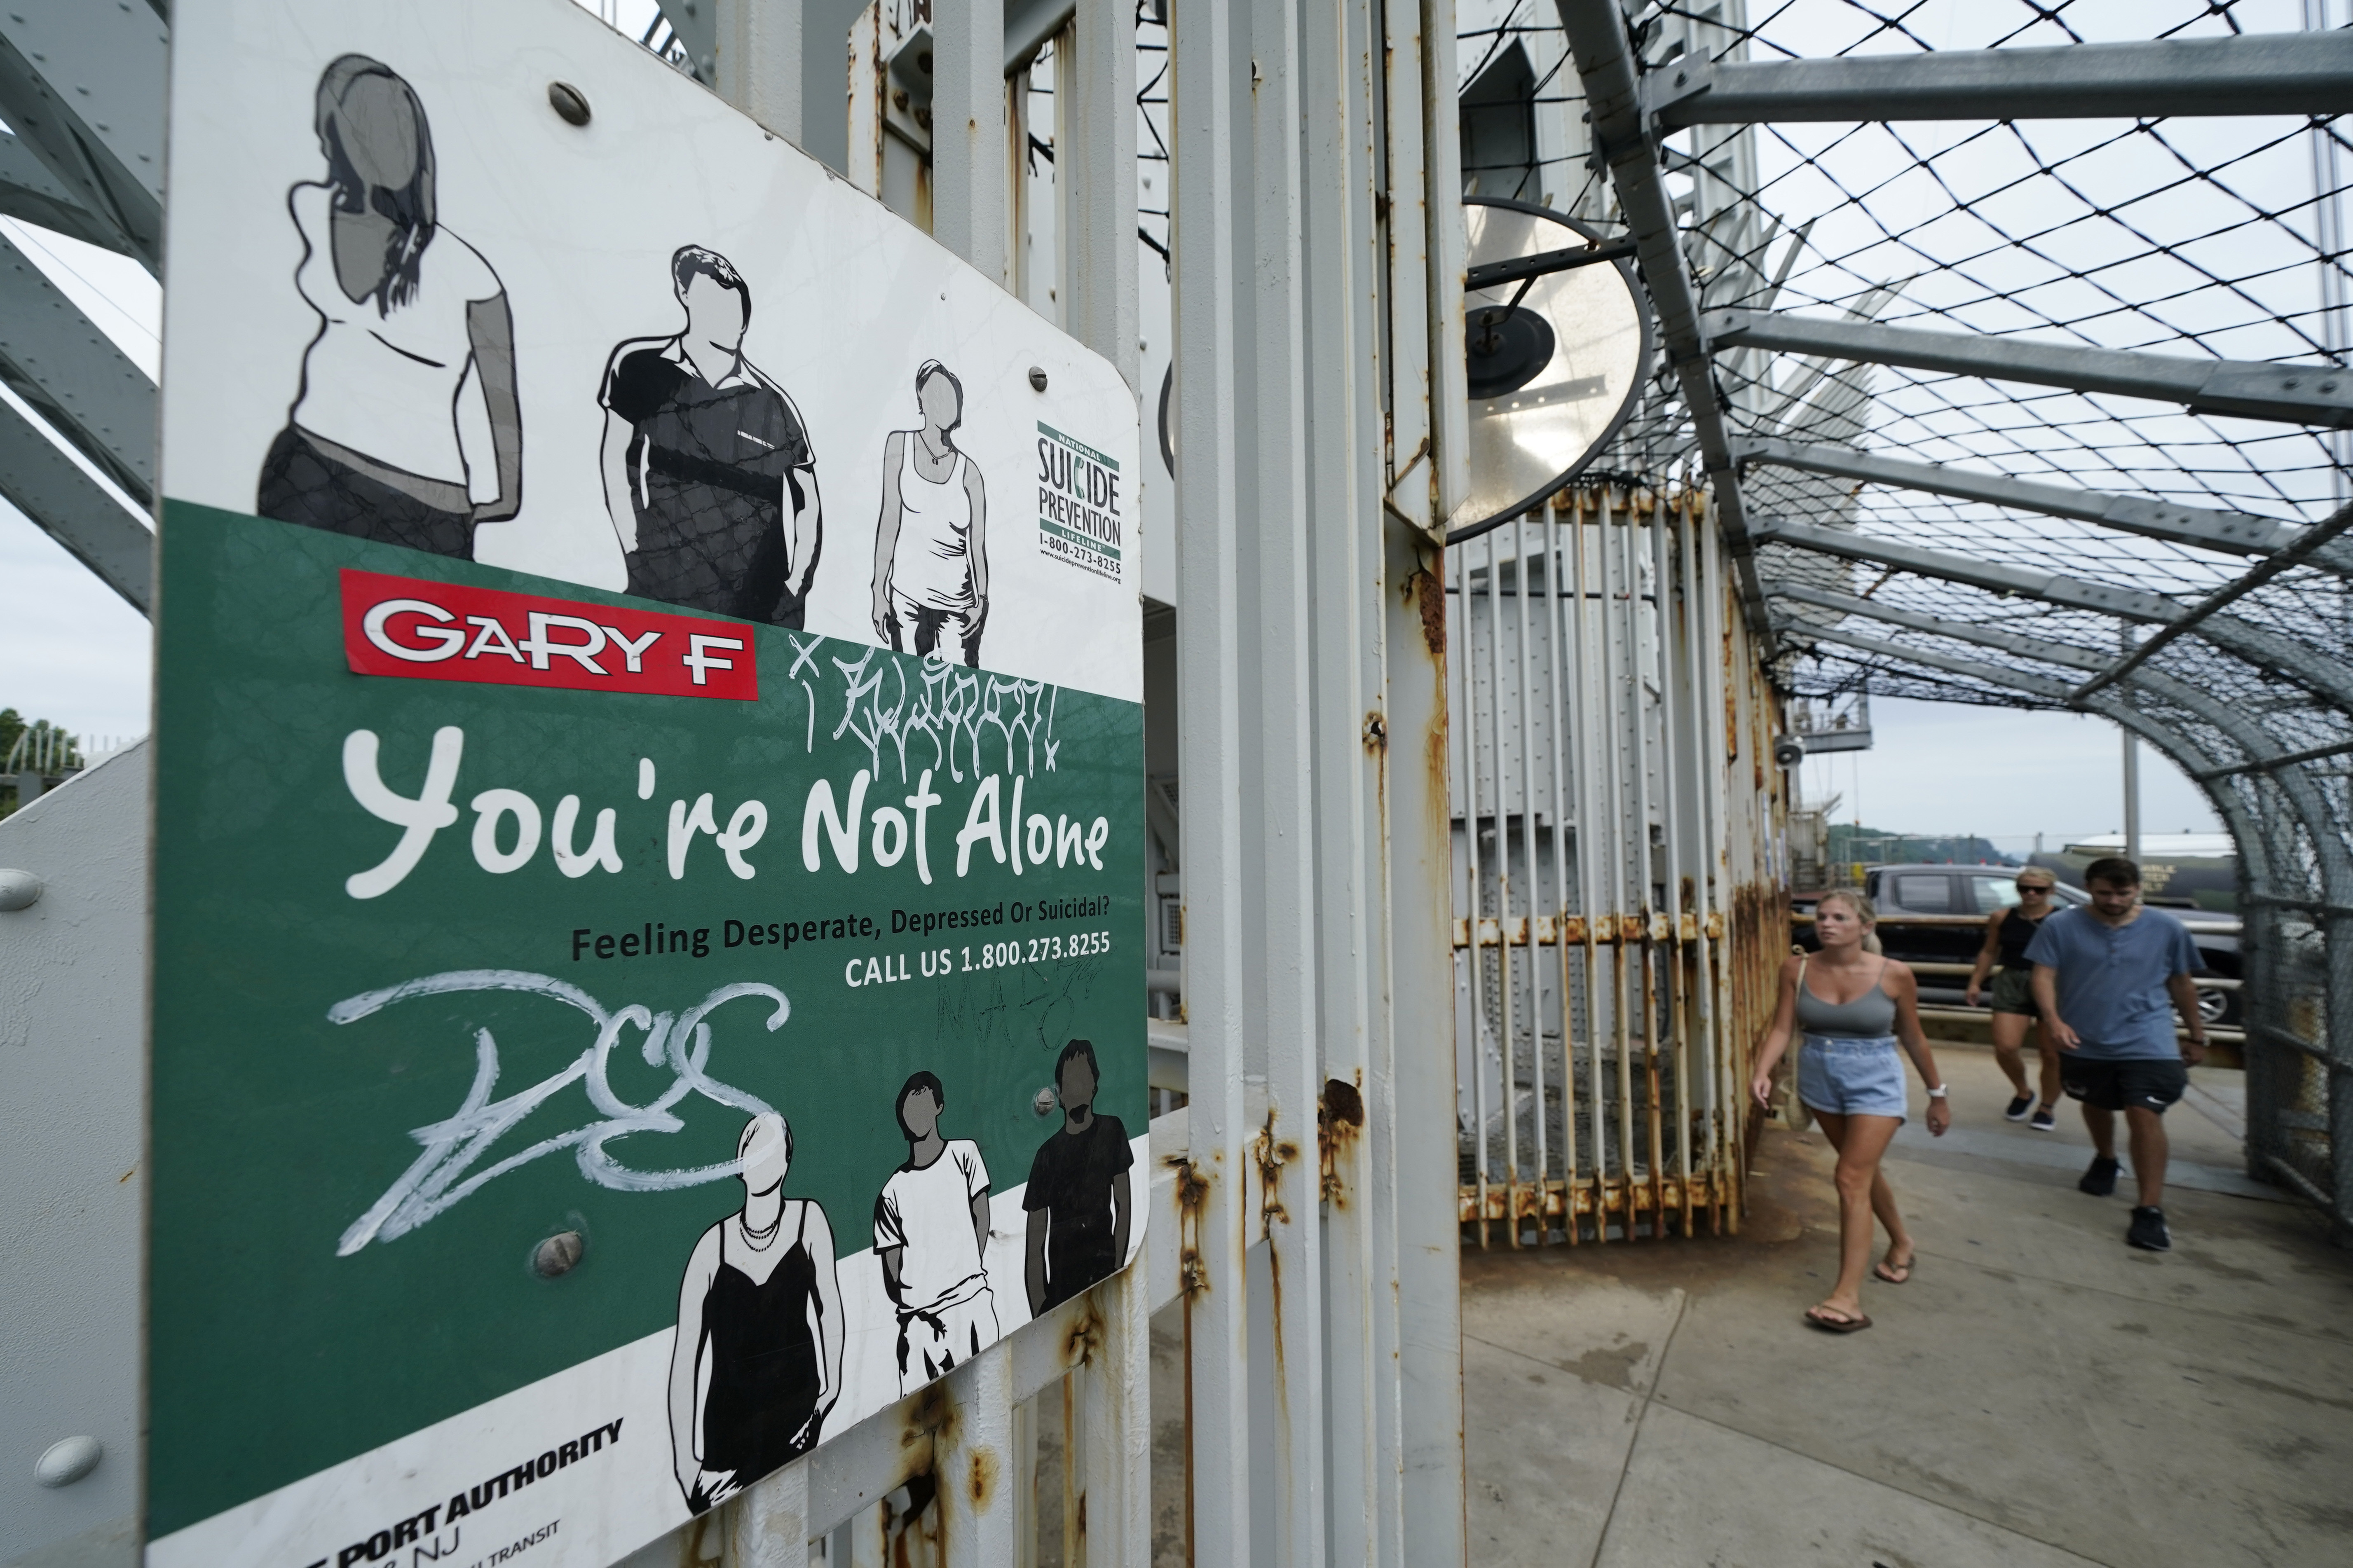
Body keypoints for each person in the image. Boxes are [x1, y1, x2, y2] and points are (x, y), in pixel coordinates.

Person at [259, 55, 522, 557]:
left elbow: (500, 396)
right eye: (375, 123)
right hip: (312, 459)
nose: (393, 141)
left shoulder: (467, 269)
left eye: (403, 126)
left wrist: (507, 489)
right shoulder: (308, 208)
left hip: (421, 495)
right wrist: (503, 493)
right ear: (343, 132)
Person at [1751, 890, 1950, 1333]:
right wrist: (1763, 1070)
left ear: (1865, 927)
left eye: (1840, 917)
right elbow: (1783, 1025)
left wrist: (1937, 1094)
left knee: (1848, 1177)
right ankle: (1901, 1241)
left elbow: (1914, 1037)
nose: (1827, 923)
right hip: (1820, 1077)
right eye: (1821, 916)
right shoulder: (1797, 967)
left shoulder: (1894, 974)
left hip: (1875, 1078)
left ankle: (1846, 1297)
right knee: (1859, 1171)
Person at [600, 246, 823, 623]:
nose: (731, 320)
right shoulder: (641, 368)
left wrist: (796, 585)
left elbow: (808, 503)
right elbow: (616, 460)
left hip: (761, 607)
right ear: (685, 295)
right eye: (716, 305)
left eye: (737, 310)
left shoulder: (775, 405)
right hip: (668, 591)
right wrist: (635, 550)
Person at [2027, 856, 2209, 1252]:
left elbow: (2182, 981)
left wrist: (2197, 1034)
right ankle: (2106, 1158)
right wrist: (2053, 1020)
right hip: (2086, 1036)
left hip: (2149, 1038)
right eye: (2105, 893)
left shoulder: (2167, 928)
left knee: (2144, 1112)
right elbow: (2043, 975)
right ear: (2089, 887)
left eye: (2123, 893)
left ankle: (2149, 1209)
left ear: (2138, 890)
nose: (2113, 901)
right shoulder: (2061, 925)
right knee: (2096, 1102)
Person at [668, 1113, 844, 1513]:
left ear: (787, 1161)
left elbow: (829, 1306)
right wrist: (685, 1463)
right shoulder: (711, 1247)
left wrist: (829, 1394)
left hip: (798, 1419)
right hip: (727, 1438)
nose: (762, 1158)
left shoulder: (809, 1219)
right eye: (753, 1147)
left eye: (773, 1150)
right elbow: (685, 1359)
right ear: (739, 1160)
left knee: (791, 1522)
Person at [874, 1071, 999, 1392]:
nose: (916, 1113)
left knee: (985, 1393)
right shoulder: (892, 1190)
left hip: (972, 1300)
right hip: (919, 1320)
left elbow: (981, 1217)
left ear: (939, 1107)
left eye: (924, 1103)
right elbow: (893, 1266)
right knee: (918, 1416)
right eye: (909, 1106)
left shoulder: (965, 1154)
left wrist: (964, 1267)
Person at [870, 361, 989, 665]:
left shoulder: (970, 472)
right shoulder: (900, 445)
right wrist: (879, 589)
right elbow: (889, 519)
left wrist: (982, 602)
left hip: (957, 611)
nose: (944, 402)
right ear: (921, 397)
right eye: (936, 393)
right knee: (911, 692)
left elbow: (977, 546)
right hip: (907, 601)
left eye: (951, 396)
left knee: (956, 699)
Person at [1023, 1039, 1134, 1315]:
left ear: (1095, 1084)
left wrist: (1118, 1271)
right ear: (1058, 1094)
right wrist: (1040, 1310)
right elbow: (1034, 1244)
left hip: (1105, 1275)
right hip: (1060, 1291)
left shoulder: (1113, 1130)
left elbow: (1125, 1206)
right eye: (1069, 1079)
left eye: (1084, 1076)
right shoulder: (1046, 1154)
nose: (1077, 1085)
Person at [1966, 868, 2062, 1129]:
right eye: (2024, 888)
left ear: (2051, 891)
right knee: (2006, 1046)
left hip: (2055, 982)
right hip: (2013, 980)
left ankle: (2047, 1107)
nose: (2031, 894)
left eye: (2039, 889)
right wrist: (1976, 982)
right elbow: (1989, 951)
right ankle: (2023, 1091)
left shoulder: (2063, 919)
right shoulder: (2002, 917)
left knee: (2051, 1053)